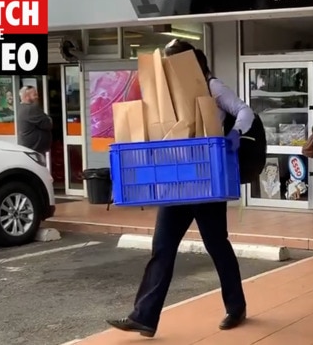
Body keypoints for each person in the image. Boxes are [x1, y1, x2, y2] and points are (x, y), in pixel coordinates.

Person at [106, 40, 254, 338]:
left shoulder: (211, 87)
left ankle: (236, 307)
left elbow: (244, 110)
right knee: (162, 248)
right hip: (176, 182)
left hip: (207, 180)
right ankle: (144, 317)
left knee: (217, 245)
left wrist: (235, 133)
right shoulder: (166, 96)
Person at [17, 86, 52, 155]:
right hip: (33, 151)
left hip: (32, 149)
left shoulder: (22, 107)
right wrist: (49, 118)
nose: (37, 97)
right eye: (34, 95)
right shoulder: (30, 109)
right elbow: (48, 124)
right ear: (27, 96)